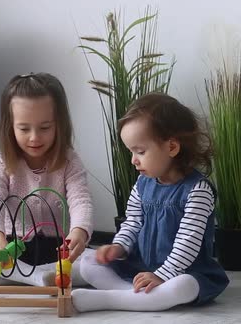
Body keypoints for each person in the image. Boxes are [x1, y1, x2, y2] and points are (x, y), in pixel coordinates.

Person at [72, 92, 229, 312]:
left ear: (172, 147)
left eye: (141, 151)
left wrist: (162, 275)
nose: (133, 160)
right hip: (142, 267)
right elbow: (132, 223)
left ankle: (111, 299)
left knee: (184, 286)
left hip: (185, 271)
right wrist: (118, 247)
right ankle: (135, 297)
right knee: (89, 263)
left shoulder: (198, 190)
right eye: (131, 152)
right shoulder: (142, 184)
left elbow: (188, 243)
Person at [0, 72, 93, 286]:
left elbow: (80, 199)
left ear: (59, 125)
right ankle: (36, 278)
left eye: (45, 128)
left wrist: (79, 232)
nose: (34, 137)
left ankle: (33, 275)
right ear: (10, 127)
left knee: (97, 261)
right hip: (9, 248)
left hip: (57, 249)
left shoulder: (69, 161)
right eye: (24, 129)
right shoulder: (1, 163)